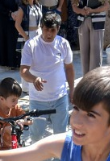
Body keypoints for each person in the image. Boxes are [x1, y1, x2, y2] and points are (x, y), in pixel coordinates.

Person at [19, 11, 74, 143]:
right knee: (36, 136)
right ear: (41, 27)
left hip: (60, 98)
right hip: (38, 101)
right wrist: (34, 79)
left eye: (52, 30)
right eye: (46, 29)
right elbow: (23, 71)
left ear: (58, 29)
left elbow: (69, 68)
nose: (49, 33)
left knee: (60, 136)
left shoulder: (64, 44)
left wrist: (72, 90)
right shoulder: (31, 45)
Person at [73, 0, 109, 76]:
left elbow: (106, 6)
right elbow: (74, 6)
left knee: (95, 54)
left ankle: (95, 81)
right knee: (84, 54)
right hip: (82, 20)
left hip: (97, 22)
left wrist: (92, 10)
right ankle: (86, 80)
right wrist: (81, 11)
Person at [0, 77, 30, 152]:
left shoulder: (15, 107)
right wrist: (4, 130)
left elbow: (29, 120)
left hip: (12, 147)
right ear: (2, 99)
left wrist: (22, 121)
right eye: (13, 100)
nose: (16, 102)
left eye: (18, 99)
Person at [12, 0, 42, 64]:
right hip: (29, 34)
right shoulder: (23, 8)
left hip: (39, 34)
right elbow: (17, 25)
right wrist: (26, 37)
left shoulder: (37, 6)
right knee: (30, 60)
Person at [0, 0, 21, 70]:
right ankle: (5, 62)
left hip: (16, 17)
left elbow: (20, 2)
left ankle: (15, 63)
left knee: (14, 41)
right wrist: (9, 13)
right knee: (4, 40)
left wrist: (17, 13)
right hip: (4, 18)